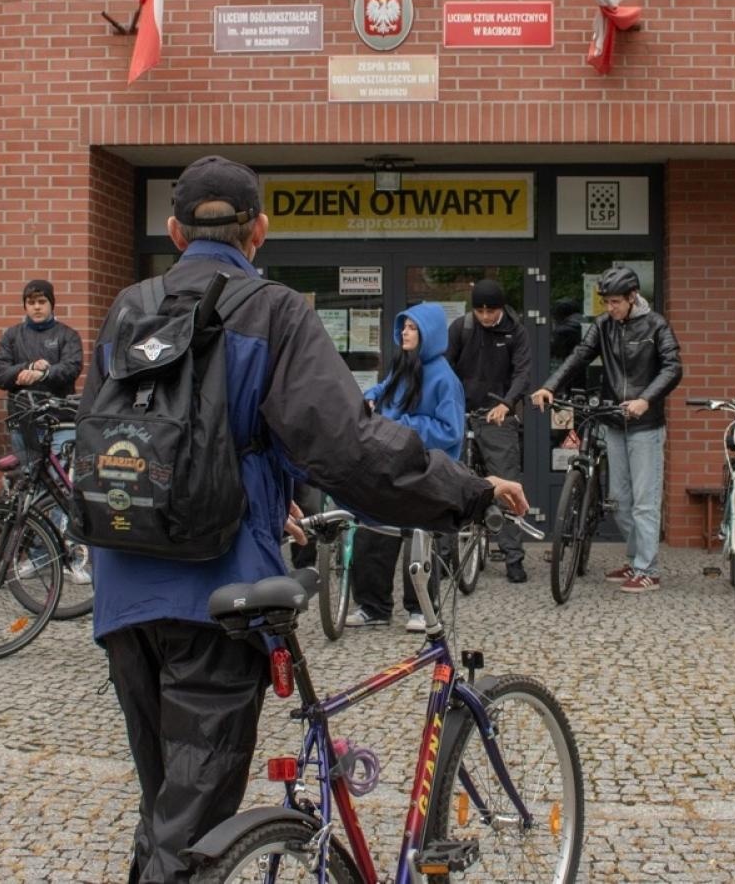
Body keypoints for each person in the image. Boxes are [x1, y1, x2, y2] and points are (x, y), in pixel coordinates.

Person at [86, 155, 526, 882]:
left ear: (173, 231)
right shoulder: (271, 310)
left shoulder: (129, 308)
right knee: (192, 837)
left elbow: (130, 440)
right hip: (216, 597)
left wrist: (272, 488)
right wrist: (466, 492)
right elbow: (350, 447)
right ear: (260, 230)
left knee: (168, 810)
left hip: (124, 593)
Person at [530, 265, 683, 593]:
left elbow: (673, 368)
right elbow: (578, 357)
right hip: (614, 420)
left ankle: (648, 570)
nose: (609, 308)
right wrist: (550, 386)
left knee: (644, 500)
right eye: (606, 303)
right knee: (619, 499)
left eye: (615, 302)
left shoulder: (656, 325)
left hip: (645, 425)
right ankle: (635, 559)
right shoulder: (603, 326)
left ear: (632, 297)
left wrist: (646, 399)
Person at [349, 303, 466, 632]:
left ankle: (420, 608)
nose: (404, 332)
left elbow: (450, 430)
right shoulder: (405, 365)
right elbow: (384, 389)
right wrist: (371, 397)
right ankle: (372, 607)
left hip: (425, 468)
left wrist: (398, 423)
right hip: (392, 462)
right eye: (403, 327)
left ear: (428, 334)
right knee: (373, 531)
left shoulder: (445, 378)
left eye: (412, 328)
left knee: (419, 538)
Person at [446, 278, 533, 583]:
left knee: (507, 483)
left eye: (490, 310)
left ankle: (513, 557)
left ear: (500, 308)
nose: (485, 316)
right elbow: (444, 368)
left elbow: (523, 372)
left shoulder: (515, 331)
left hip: (497, 414)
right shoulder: (461, 328)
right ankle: (446, 554)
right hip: (461, 413)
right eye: (480, 310)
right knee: (452, 480)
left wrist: (508, 404)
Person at [0, 278, 83, 399]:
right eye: (31, 302)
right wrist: (29, 367)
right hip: (21, 412)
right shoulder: (12, 335)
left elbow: (71, 368)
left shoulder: (68, 335)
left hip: (59, 412)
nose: (37, 307)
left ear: (51, 304)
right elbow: (0, 374)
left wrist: (43, 375)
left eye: (42, 302)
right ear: (25, 306)